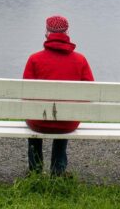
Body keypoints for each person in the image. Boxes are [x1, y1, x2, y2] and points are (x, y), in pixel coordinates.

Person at [23, 15, 94, 176]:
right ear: (67, 32)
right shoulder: (80, 60)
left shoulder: (34, 59)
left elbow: (26, 94)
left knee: (32, 112)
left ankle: (35, 170)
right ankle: (58, 171)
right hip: (67, 123)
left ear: (47, 33)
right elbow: (90, 93)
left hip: (38, 122)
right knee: (65, 114)